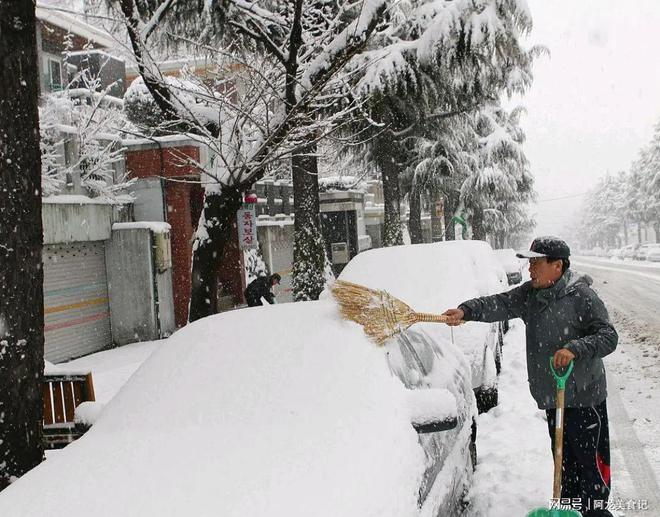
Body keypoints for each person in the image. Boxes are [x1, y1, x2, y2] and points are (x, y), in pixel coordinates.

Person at [443, 237, 617, 517]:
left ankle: (597, 513)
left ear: (557, 266)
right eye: (530, 263)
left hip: (585, 400)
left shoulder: (582, 296)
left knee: (591, 470)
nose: (530, 269)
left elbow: (609, 337)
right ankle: (569, 512)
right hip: (554, 396)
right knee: (565, 465)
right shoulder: (530, 296)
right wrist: (467, 311)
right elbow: (498, 303)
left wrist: (575, 348)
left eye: (536, 263)